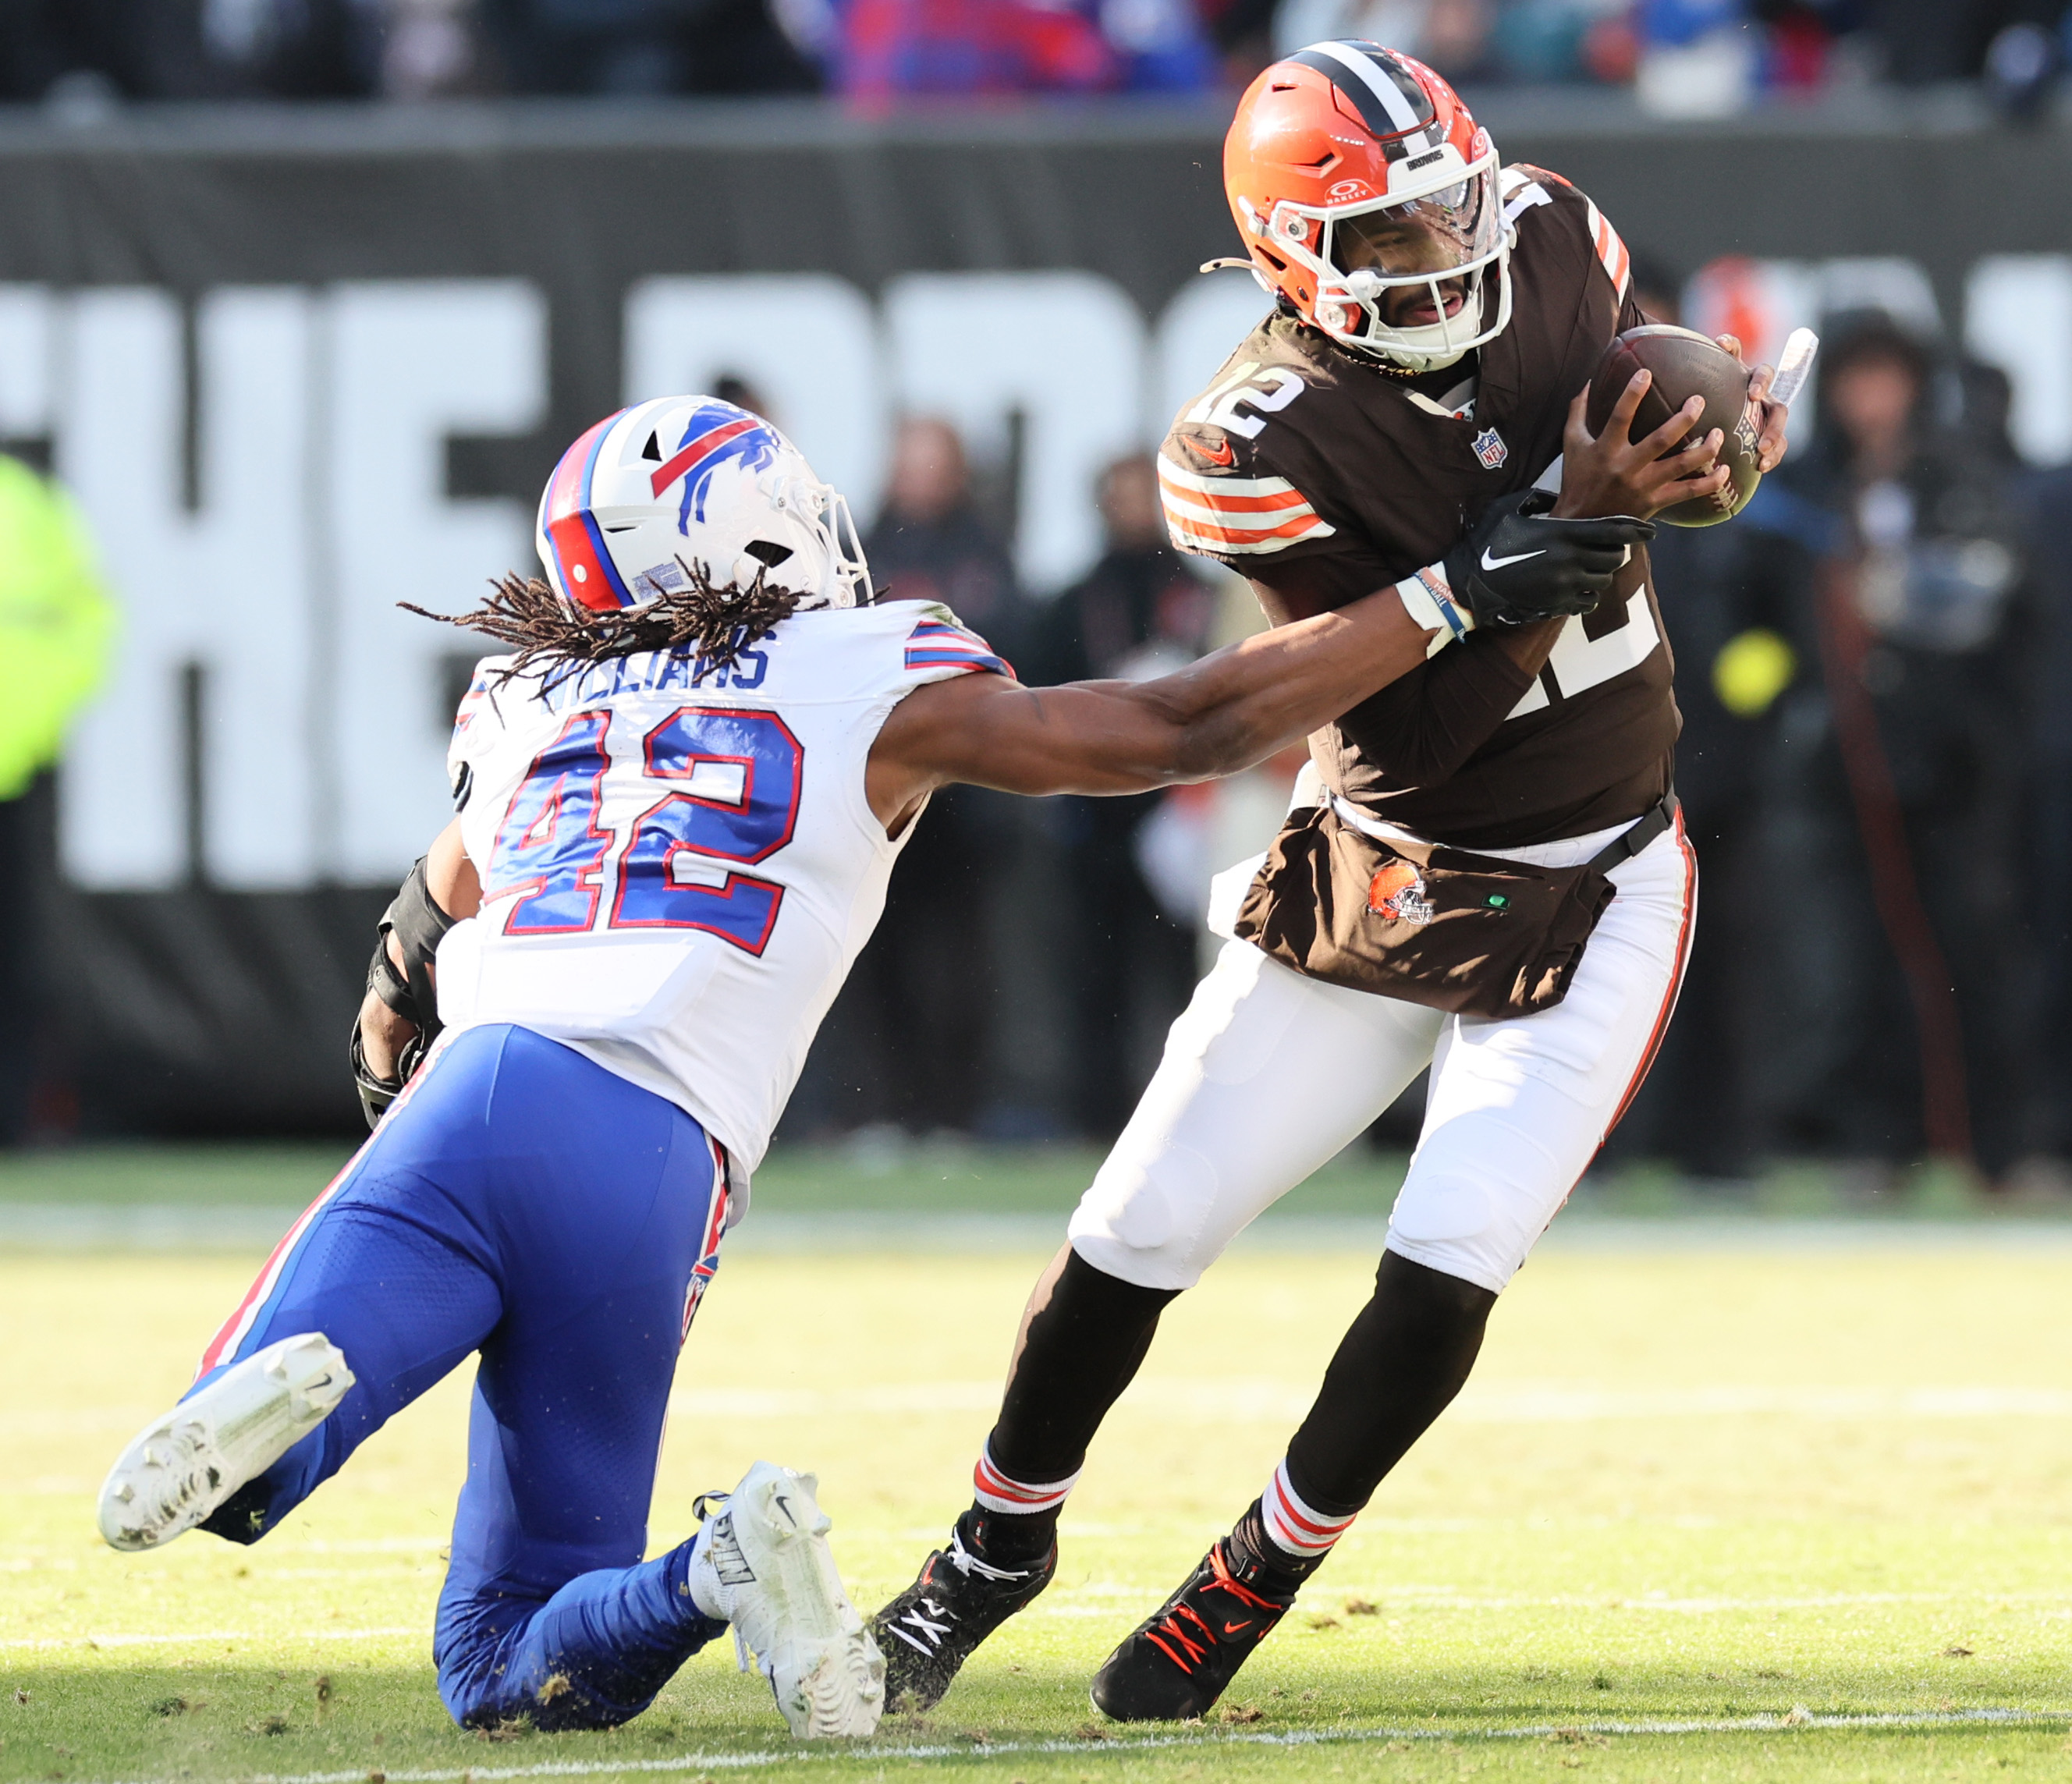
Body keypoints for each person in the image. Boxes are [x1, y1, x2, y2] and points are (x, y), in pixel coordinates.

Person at [92, 390, 1602, 1737]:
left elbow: (415, 938)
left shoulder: (521, 700)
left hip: (483, 1093)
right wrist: (1448, 598)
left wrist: (394, 1002)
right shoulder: (865, 672)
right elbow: (1184, 722)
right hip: (660, 1171)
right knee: (508, 1674)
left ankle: (285, 1404)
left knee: (246, 1485)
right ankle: (716, 1563)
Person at [871, 39, 1792, 1723]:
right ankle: (991, 1548)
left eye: (1449, 209)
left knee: (1447, 1252)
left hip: (1598, 869)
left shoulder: (1555, 241)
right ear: (1292, 250)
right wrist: (1548, 539)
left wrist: (1708, 457)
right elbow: (1418, 741)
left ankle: (1253, 1571)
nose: (1444, 252)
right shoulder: (1250, 437)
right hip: (1380, 860)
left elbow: (1673, 447)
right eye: (1387, 237)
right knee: (1135, 1223)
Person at [1034, 455, 1217, 1133]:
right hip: (1102, 811)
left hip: (1184, 812)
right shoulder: (1077, 599)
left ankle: (1188, 1115)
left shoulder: (1199, 589)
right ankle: (1096, 1115)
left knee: (1188, 977)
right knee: (1098, 977)